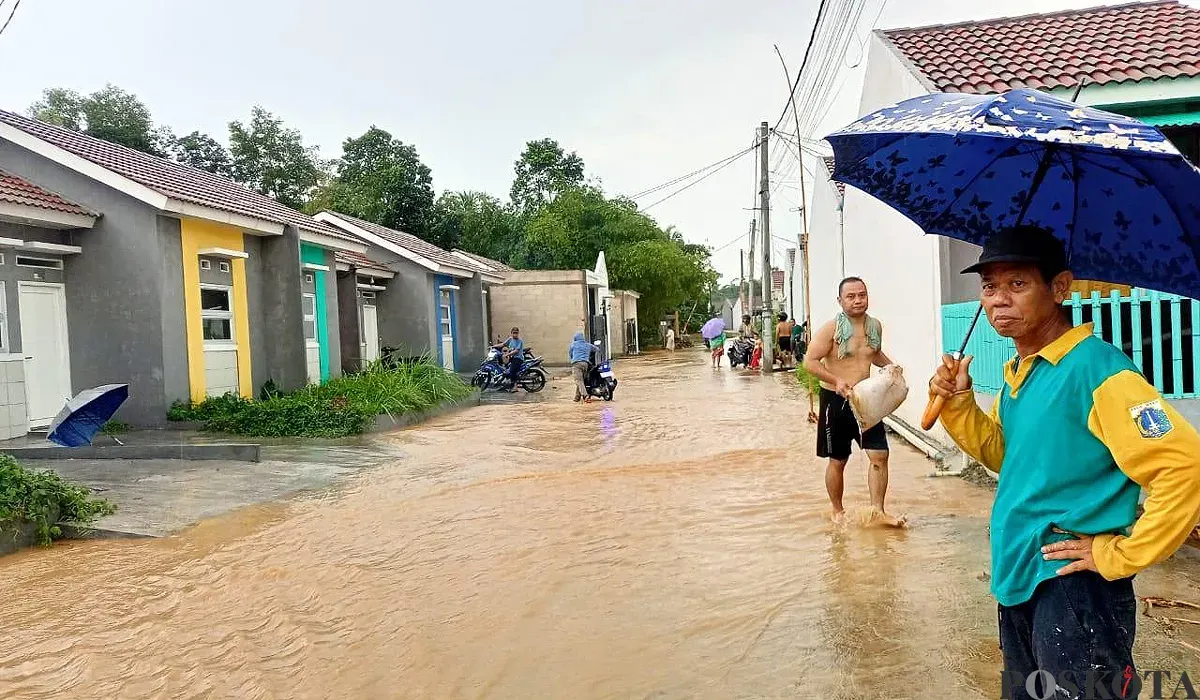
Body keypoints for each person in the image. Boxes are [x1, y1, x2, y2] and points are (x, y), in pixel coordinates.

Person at [928, 225, 1200, 699]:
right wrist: (958, 404)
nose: (998, 300)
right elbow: (1008, 457)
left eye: (1017, 284)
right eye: (990, 286)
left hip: (1074, 589)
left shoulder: (1097, 369)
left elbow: (1184, 465)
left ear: (1059, 287)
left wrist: (1120, 555)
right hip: (1019, 576)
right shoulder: (1020, 373)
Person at [802, 277, 904, 527]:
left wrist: (891, 366)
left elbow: (873, 352)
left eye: (862, 295)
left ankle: (878, 512)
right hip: (835, 400)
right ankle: (837, 511)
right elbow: (810, 362)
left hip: (866, 400)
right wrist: (836, 380)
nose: (858, 300)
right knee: (838, 460)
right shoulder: (830, 330)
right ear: (840, 301)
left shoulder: (875, 327)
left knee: (879, 455)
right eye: (851, 296)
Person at [493, 327, 525, 392]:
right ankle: (508, 385)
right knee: (506, 370)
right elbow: (503, 344)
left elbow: (516, 351)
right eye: (514, 333)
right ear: (511, 333)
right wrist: (493, 346)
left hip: (518, 358)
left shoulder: (520, 341)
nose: (515, 335)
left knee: (512, 371)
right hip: (512, 358)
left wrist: (507, 354)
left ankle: (515, 387)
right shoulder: (510, 339)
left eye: (516, 333)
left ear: (518, 333)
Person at [568, 331, 598, 403]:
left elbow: (570, 353)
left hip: (576, 364)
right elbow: (597, 349)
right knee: (581, 381)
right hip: (586, 364)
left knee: (579, 381)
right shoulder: (587, 345)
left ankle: (585, 396)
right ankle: (577, 397)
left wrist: (573, 358)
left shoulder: (573, 345)